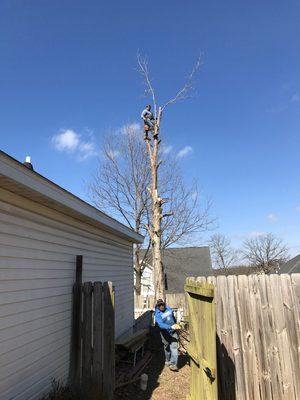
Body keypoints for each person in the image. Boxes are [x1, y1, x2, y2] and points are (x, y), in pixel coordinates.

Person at [154, 299, 180, 371]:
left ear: (164, 304)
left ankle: (173, 364)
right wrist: (170, 327)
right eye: (160, 305)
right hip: (164, 333)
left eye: (163, 304)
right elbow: (161, 325)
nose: (162, 306)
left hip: (173, 331)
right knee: (167, 347)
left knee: (174, 347)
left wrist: (175, 324)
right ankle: (168, 360)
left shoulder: (168, 308)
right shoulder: (157, 314)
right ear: (158, 306)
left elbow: (173, 317)